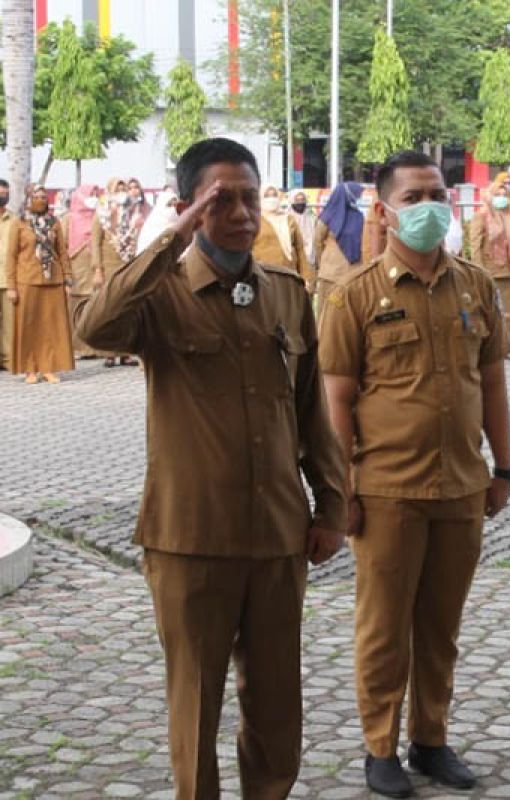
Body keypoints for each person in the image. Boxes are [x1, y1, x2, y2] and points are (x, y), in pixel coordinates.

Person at [76, 137, 347, 799]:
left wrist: (333, 507)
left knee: (278, 702)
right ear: (188, 207)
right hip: (191, 538)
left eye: (249, 198)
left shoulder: (285, 293)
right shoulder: (160, 295)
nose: (241, 214)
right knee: (196, 701)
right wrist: (170, 240)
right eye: (220, 199)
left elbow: (313, 410)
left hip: (280, 534)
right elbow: (94, 328)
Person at [319, 150, 510, 799]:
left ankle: (430, 740)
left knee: (440, 627)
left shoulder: (475, 286)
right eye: (413, 197)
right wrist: (340, 489)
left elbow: (491, 381)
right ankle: (381, 748)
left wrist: (504, 467)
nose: (429, 206)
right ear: (384, 209)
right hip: (385, 492)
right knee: (383, 629)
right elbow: (336, 401)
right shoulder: (354, 297)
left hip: (462, 485)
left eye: (437, 193)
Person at [6, 184, 74, 383]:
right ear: (29, 198)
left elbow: (62, 252)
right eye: (37, 196)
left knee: (51, 327)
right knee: (29, 327)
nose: (41, 199)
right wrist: (11, 286)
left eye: (44, 196)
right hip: (27, 280)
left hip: (53, 280)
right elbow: (11, 256)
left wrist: (68, 279)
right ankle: (30, 369)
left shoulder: (54, 223)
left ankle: (48, 367)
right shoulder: (20, 223)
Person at [94, 178, 143, 367]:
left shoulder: (132, 213)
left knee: (126, 309)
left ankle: (125, 352)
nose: (121, 191)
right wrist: (97, 269)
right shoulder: (101, 214)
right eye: (118, 188)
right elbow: (95, 243)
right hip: (108, 266)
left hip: (127, 264)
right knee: (108, 309)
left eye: (123, 188)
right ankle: (109, 352)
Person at [467, 184, 510, 339]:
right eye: (497, 194)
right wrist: (479, 270)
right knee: (491, 309)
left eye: (504, 194)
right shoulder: (482, 216)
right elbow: (475, 245)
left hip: (509, 271)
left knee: (508, 311)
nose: (501, 197)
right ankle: (491, 344)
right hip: (489, 270)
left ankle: (504, 343)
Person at [64, 185, 102, 358]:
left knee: (95, 307)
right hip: (77, 270)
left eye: (96, 194)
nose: (93, 197)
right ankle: (78, 347)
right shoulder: (69, 219)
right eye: (90, 194)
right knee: (77, 308)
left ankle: (95, 347)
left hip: (96, 270)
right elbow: (62, 246)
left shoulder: (101, 216)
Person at [314, 181, 366, 310]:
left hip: (353, 274)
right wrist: (323, 263)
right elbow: (318, 242)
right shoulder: (327, 217)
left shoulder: (359, 217)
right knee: (327, 312)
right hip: (331, 276)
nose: (359, 198)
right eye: (356, 195)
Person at [253, 185, 315, 290]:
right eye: (267, 196)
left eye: (274, 195)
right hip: (263, 276)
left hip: (288, 274)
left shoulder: (289, 219)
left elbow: (300, 250)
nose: (271, 199)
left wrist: (306, 277)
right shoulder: (254, 221)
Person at [136, 189, 180, 255]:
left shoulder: (182, 223)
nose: (173, 208)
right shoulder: (151, 226)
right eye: (169, 205)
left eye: (175, 205)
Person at [0, 179, 13, 370]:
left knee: (10, 323)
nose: (3, 196)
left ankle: (9, 359)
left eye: (5, 193)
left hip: (7, 278)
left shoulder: (14, 220)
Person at [288, 189, 318, 262]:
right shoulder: (287, 218)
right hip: (293, 259)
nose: (300, 202)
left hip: (311, 258)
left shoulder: (312, 218)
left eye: (302, 200)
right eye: (297, 200)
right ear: (292, 201)